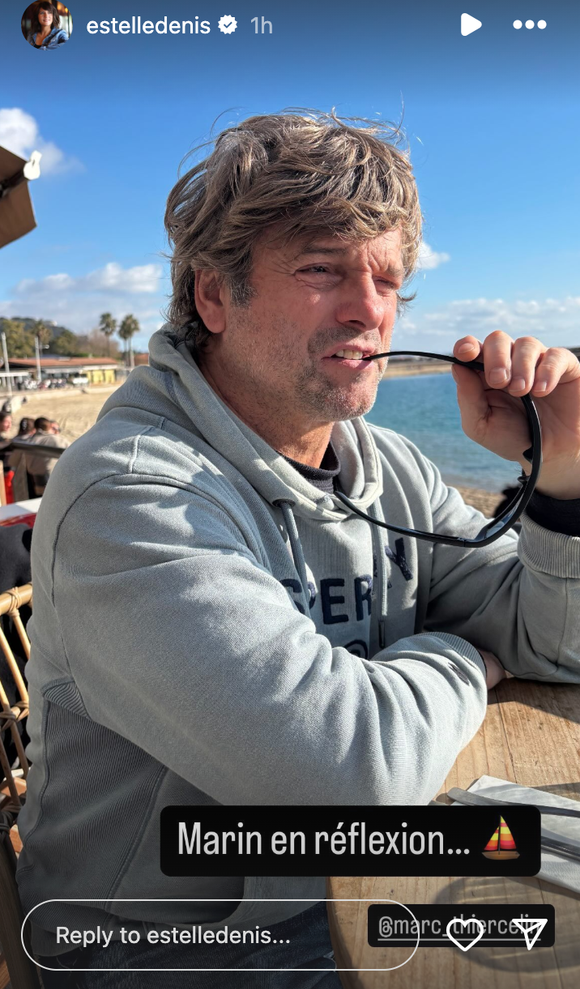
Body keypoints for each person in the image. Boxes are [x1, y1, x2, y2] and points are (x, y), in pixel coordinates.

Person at [17, 112, 580, 986]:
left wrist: (566, 484)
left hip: (342, 892)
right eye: (321, 269)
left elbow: (556, 643)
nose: (369, 307)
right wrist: (467, 658)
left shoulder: (385, 464)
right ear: (214, 296)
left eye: (388, 279)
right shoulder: (129, 495)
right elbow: (346, 776)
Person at [23, 416, 69, 496]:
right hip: (50, 482)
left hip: (32, 482)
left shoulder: (29, 440)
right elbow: (72, 449)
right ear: (49, 427)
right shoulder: (54, 439)